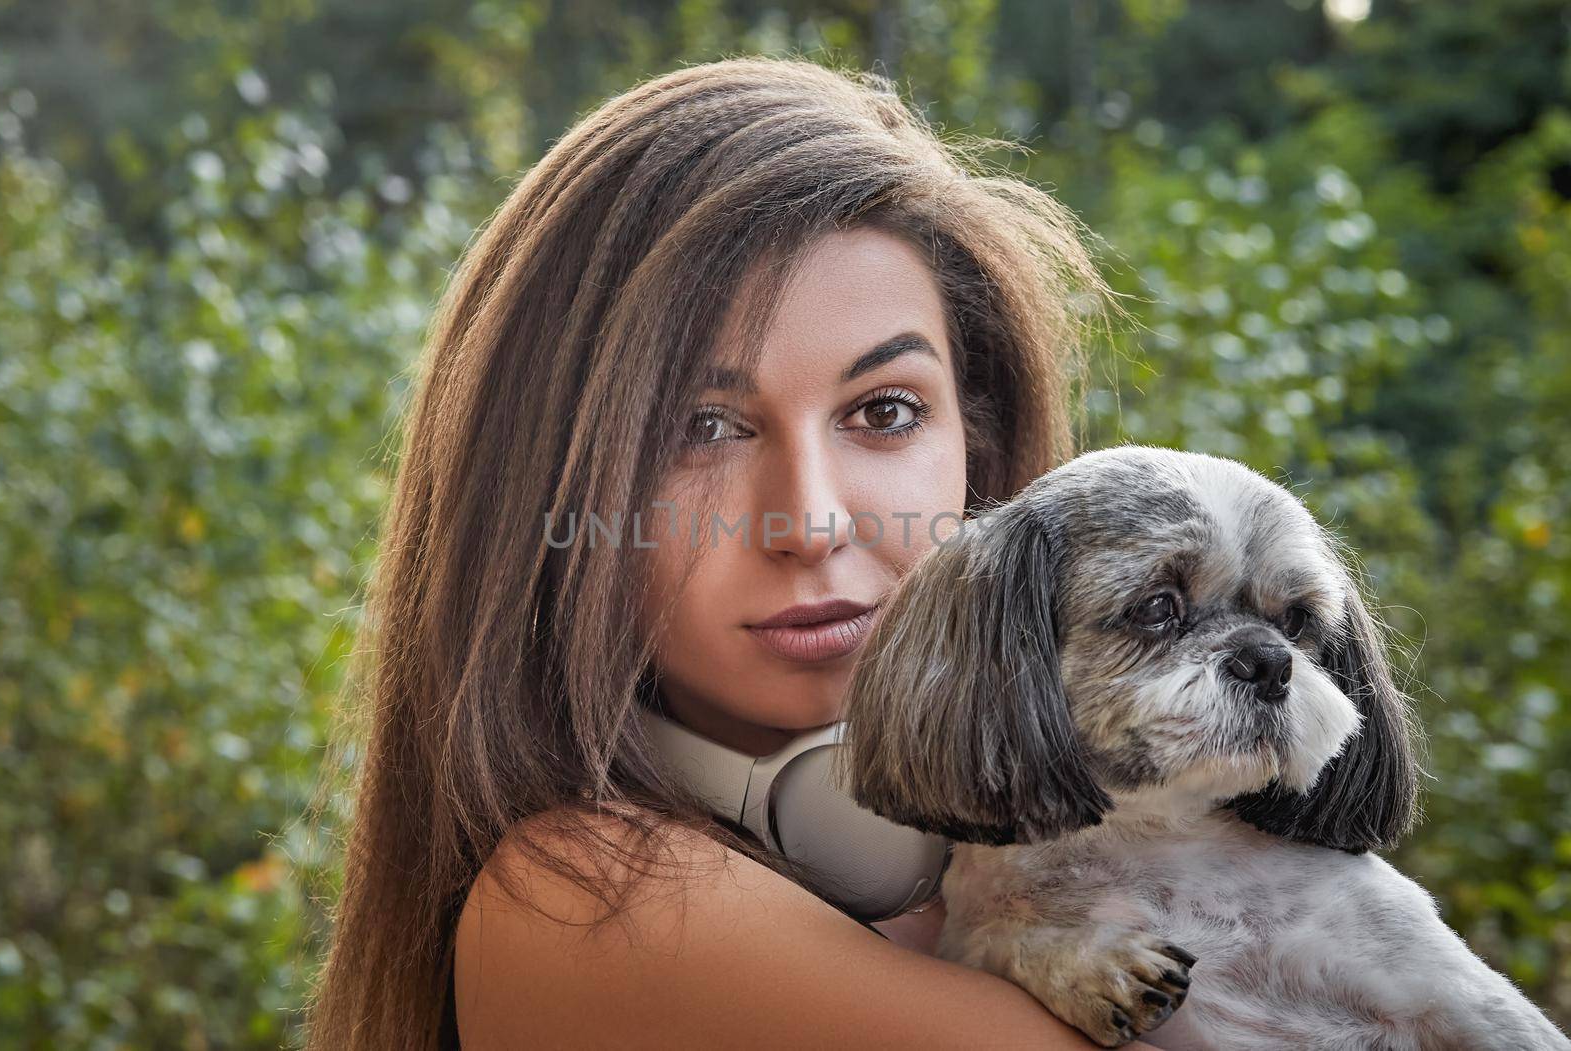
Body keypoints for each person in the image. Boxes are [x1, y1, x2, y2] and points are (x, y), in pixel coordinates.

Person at [303, 53, 1164, 1050]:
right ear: (544, 492)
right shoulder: (584, 904)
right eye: (697, 429)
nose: (808, 523)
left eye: (884, 411)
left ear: (977, 452)